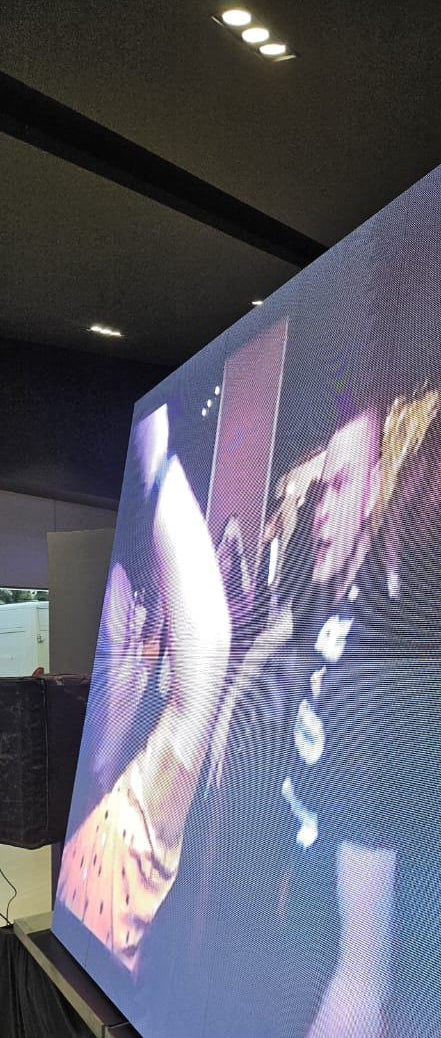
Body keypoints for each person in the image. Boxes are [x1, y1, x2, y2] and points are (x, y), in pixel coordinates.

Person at [55, 404, 231, 974]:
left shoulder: (130, 822)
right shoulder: (91, 796)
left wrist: (157, 466)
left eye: (126, 634)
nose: (114, 656)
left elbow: (208, 650)